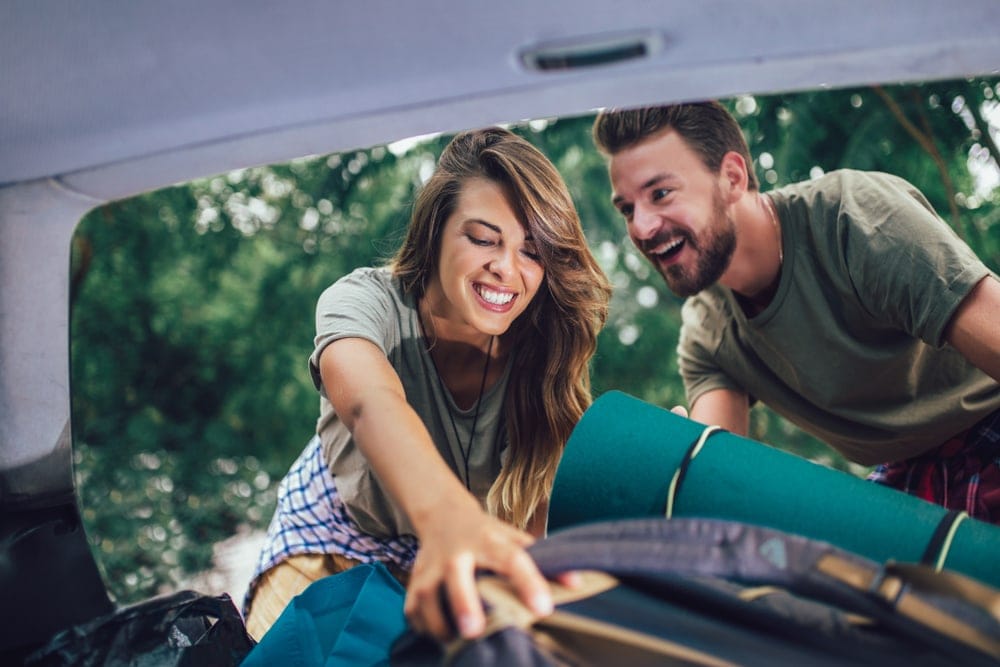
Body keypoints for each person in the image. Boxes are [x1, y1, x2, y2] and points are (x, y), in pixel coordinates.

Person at [243, 127, 611, 642]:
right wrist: (448, 519)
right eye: (483, 239)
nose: (506, 269)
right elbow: (371, 403)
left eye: (532, 251)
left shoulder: (546, 353)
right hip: (332, 541)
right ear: (436, 229)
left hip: (446, 561)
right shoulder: (365, 302)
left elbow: (532, 522)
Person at [592, 101, 1000, 523]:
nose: (641, 228)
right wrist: (676, 459)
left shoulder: (854, 217)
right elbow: (710, 485)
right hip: (907, 479)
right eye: (627, 209)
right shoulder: (707, 333)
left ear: (732, 177)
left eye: (660, 194)